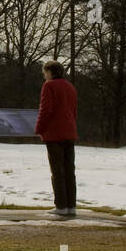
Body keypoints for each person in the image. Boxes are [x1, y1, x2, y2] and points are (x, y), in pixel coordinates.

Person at [35, 60, 78, 218]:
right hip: (69, 132)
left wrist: (39, 128)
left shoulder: (49, 86)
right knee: (69, 170)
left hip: (54, 133)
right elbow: (73, 110)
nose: (44, 75)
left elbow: (45, 109)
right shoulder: (70, 87)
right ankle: (71, 205)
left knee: (57, 170)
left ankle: (60, 205)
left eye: (45, 72)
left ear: (50, 72)